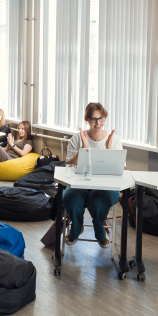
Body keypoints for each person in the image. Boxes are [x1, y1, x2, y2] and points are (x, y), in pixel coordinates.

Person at [63, 102, 123, 248]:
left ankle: (100, 232)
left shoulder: (113, 140)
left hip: (106, 186)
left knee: (99, 202)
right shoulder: (78, 138)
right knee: (70, 198)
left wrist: (109, 151)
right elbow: (69, 165)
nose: (98, 123)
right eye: (94, 119)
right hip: (80, 184)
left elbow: (119, 170)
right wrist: (83, 148)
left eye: (101, 118)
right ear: (87, 120)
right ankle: (76, 229)